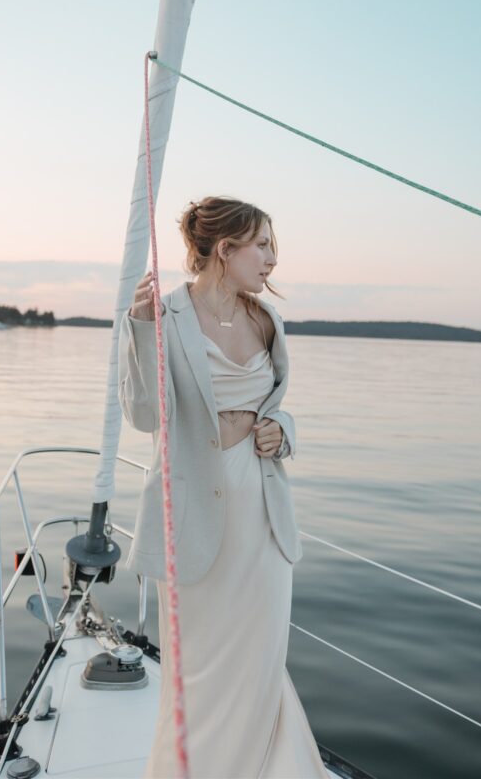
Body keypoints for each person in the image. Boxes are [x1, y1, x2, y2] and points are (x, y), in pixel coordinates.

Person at [118, 196, 329, 779]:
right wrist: (139, 330)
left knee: (260, 663)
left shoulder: (266, 320)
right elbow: (142, 415)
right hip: (193, 520)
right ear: (225, 249)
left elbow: (280, 409)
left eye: (271, 247)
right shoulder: (165, 314)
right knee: (197, 671)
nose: (270, 260)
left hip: (262, 518)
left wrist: (279, 431)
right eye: (262, 245)